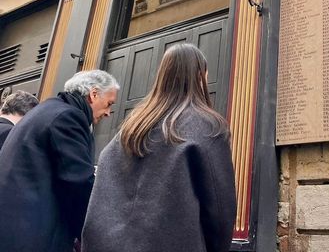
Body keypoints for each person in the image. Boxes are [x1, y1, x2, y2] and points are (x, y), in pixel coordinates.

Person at [82, 44, 236, 252]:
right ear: (200, 76)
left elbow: (102, 194)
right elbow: (219, 210)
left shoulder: (132, 127)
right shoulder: (207, 127)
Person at [0, 70, 119, 252]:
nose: (109, 113)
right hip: (35, 235)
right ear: (93, 94)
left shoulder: (47, 110)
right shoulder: (68, 117)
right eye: (109, 104)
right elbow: (79, 184)